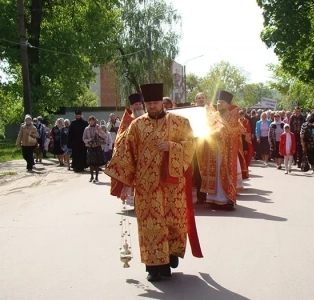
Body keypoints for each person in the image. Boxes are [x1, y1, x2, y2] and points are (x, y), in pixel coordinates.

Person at [105, 83, 201, 282]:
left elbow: (191, 145)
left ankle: (169, 261)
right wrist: (123, 185)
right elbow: (126, 154)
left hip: (172, 184)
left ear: (162, 102)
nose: (153, 107)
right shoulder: (136, 125)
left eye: (156, 102)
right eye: (149, 103)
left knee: (172, 221)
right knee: (150, 224)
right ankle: (153, 267)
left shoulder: (180, 122)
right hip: (145, 185)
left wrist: (172, 146)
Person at [197, 90, 240, 210]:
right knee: (213, 173)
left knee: (223, 173)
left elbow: (230, 131)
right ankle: (213, 199)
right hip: (211, 149)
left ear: (227, 104)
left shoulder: (231, 116)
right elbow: (206, 127)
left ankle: (226, 199)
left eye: (221, 102)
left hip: (225, 152)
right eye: (218, 101)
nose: (219, 103)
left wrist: (215, 133)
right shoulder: (213, 116)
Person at [83, 116, 107, 183]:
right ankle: (91, 176)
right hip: (90, 147)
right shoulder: (86, 129)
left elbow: (105, 136)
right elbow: (83, 138)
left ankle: (96, 177)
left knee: (97, 163)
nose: (91, 122)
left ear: (94, 121)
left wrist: (98, 133)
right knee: (91, 163)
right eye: (90, 121)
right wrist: (88, 140)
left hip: (97, 147)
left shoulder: (98, 128)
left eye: (92, 120)